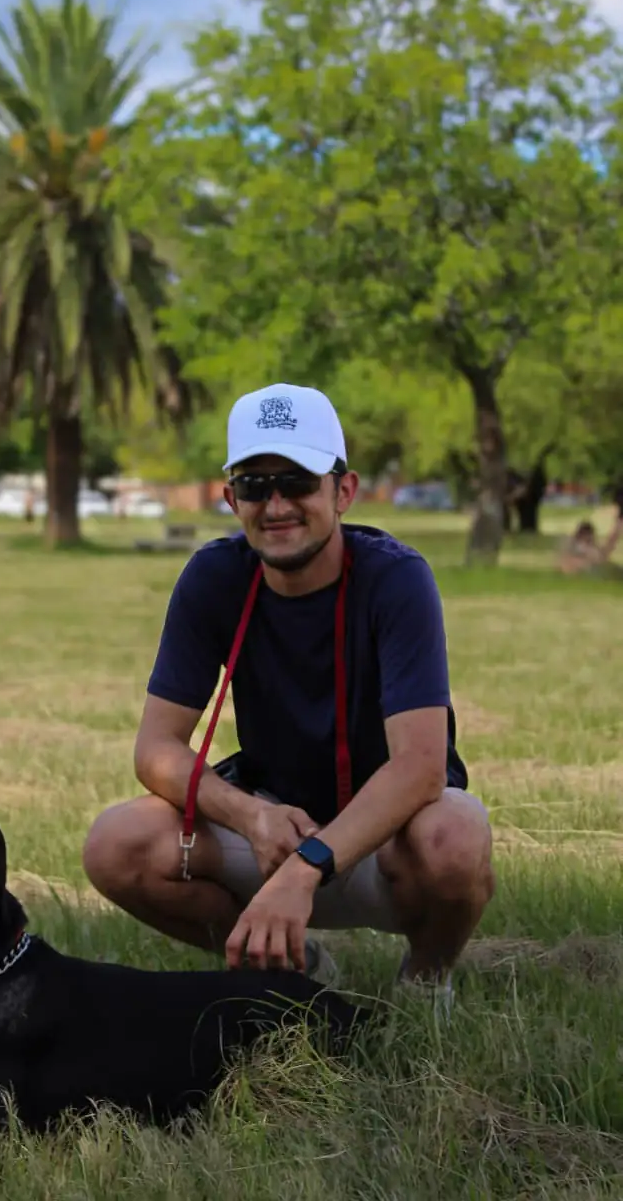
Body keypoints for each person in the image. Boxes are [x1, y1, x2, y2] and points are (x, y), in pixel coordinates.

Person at [83, 383, 495, 1009]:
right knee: (116, 843)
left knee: (456, 836)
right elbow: (156, 749)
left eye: (297, 481)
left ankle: (426, 979)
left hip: (386, 833)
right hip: (272, 823)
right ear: (230, 499)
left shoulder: (396, 577)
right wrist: (251, 815)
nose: (276, 504)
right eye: (254, 485)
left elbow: (420, 767)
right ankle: (293, 967)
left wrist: (307, 867)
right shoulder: (214, 576)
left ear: (343, 490)